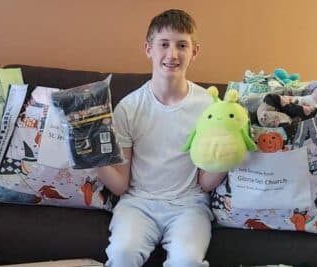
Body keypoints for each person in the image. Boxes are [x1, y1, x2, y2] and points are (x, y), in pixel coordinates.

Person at [96, 9, 227, 267]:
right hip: (137, 203)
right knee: (123, 254)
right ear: (148, 49)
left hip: (189, 205)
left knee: (187, 260)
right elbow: (121, 185)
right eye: (164, 44)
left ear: (194, 51)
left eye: (182, 45)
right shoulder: (129, 107)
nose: (172, 54)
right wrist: (93, 159)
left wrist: (229, 156)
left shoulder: (209, 107)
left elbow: (205, 182)